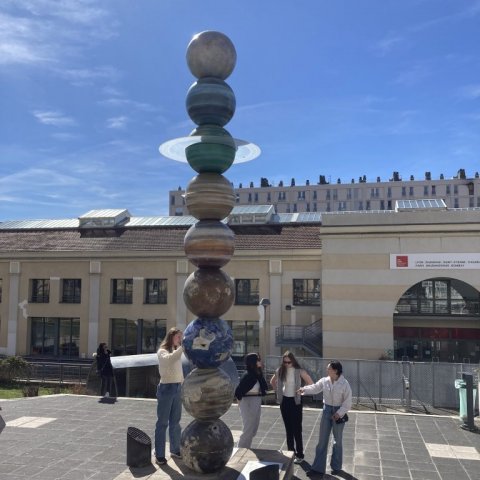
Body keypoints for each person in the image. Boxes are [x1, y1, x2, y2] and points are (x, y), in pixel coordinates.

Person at [298, 360, 352, 477]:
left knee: (337, 441)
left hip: (338, 413)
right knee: (322, 440)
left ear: (336, 371)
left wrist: (339, 413)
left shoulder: (345, 384)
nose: (327, 370)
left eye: (329, 369)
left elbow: (348, 402)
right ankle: (317, 468)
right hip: (326, 411)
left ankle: (336, 467)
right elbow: (315, 388)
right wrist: (304, 389)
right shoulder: (325, 380)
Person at [270, 351, 313, 464]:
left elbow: (311, 383)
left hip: (295, 401)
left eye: (289, 362)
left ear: (293, 360)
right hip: (285, 401)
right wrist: (278, 391)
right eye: (285, 362)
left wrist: (302, 391)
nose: (287, 364)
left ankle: (300, 454)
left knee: (297, 429)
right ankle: (291, 453)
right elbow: (272, 381)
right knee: (288, 429)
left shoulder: (300, 370)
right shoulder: (280, 370)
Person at [154, 327, 184, 466]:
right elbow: (169, 360)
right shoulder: (162, 351)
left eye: (181, 337)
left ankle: (175, 449)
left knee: (175, 422)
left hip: (177, 387)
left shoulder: (176, 351)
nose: (180, 339)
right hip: (166, 388)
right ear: (171, 337)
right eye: (178, 337)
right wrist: (181, 348)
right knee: (162, 423)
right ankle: (160, 454)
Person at [234, 352, 268, 448]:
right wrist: (239, 402)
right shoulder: (248, 375)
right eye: (258, 359)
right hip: (247, 401)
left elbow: (264, 387)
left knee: (254, 427)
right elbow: (238, 391)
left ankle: (246, 447)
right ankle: (241, 449)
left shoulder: (257, 374)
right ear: (253, 361)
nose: (260, 361)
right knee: (248, 427)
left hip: (256, 399)